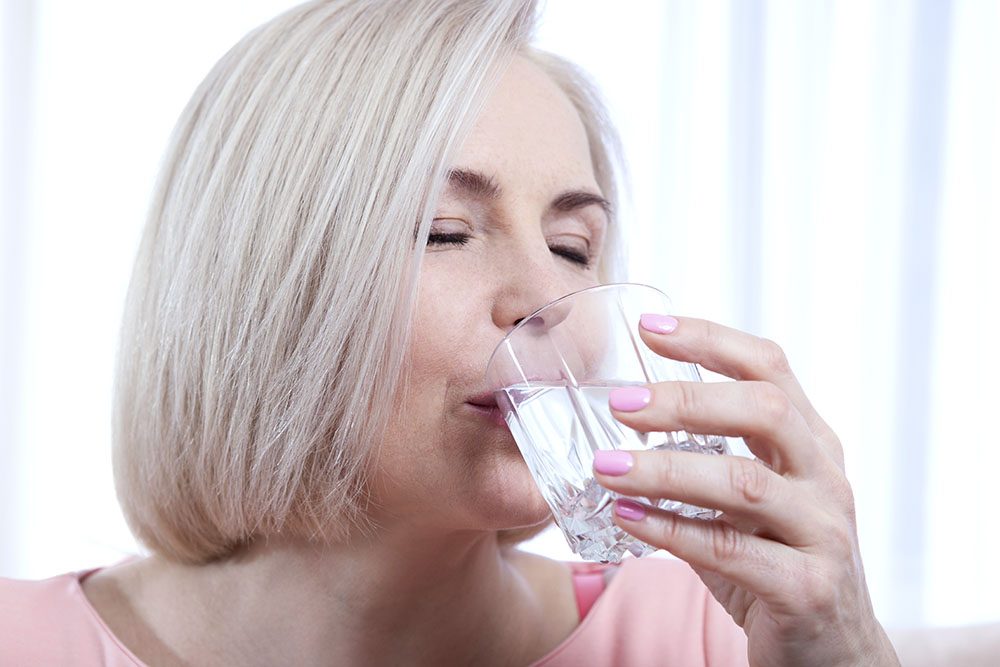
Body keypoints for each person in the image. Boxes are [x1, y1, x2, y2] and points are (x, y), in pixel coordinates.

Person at [0, 1, 901, 664]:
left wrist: (848, 652)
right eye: (444, 230)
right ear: (259, 287)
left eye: (572, 244)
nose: (547, 293)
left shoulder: (717, 635)